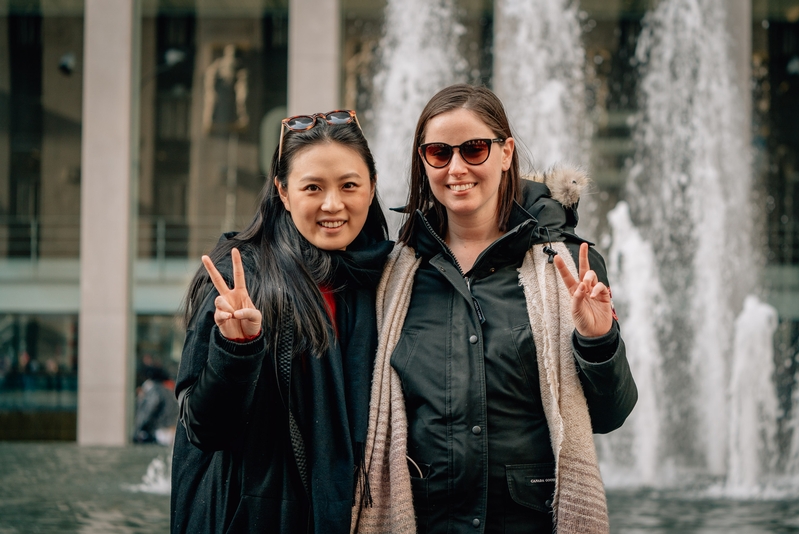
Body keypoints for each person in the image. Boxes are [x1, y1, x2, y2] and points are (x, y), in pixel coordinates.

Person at [351, 84, 638, 534]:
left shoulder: (567, 264)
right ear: (423, 161)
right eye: (439, 153)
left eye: (475, 149)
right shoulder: (392, 274)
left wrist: (598, 340)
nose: (457, 167)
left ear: (506, 153)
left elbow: (610, 414)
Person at [170, 110, 392, 533]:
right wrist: (237, 348)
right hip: (255, 518)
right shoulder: (243, 279)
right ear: (283, 192)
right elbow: (203, 429)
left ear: (372, 187)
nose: (333, 204)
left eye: (349, 185)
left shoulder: (383, 277)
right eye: (313, 187)